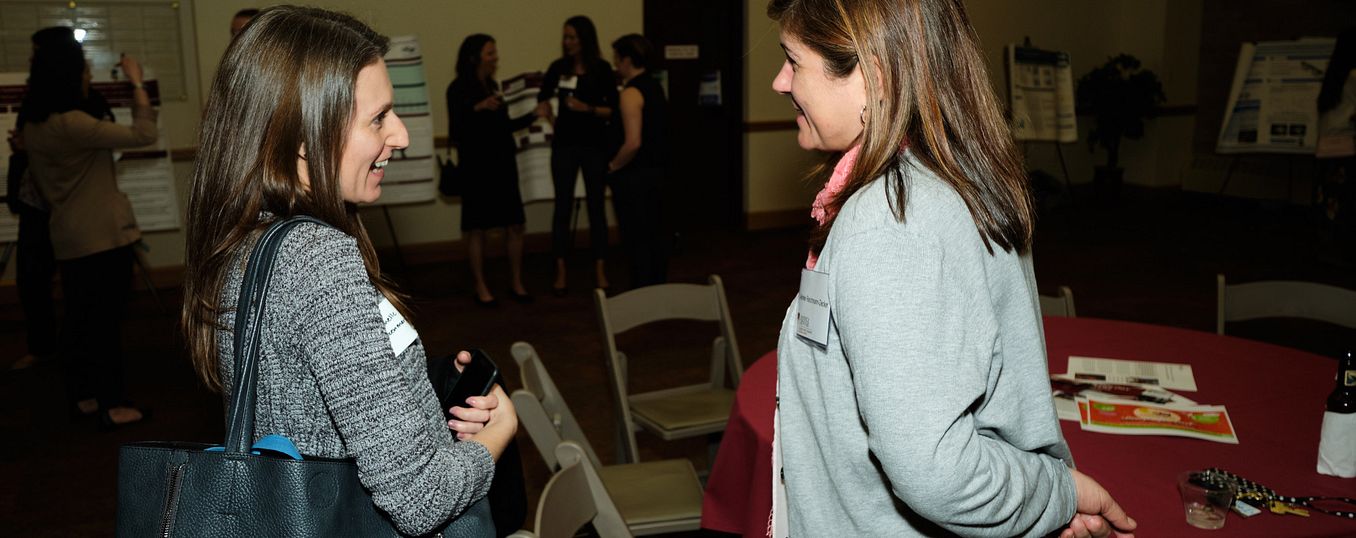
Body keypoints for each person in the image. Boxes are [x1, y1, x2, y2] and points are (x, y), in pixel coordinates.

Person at [766, 1, 1135, 537]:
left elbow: (937, 471)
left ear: (872, 74)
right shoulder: (957, 179)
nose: (780, 82)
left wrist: (1055, 493)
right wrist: (1044, 502)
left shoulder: (892, 217)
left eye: (793, 61)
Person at [181, 7, 516, 535]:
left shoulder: (249, 240)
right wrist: (490, 444)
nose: (401, 136)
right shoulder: (317, 257)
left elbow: (313, 403)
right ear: (299, 134)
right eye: (379, 117)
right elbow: (420, 499)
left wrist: (420, 391)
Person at [21, 31, 154, 427]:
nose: (87, 77)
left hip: (68, 235)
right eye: (83, 71)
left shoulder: (34, 126)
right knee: (105, 325)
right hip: (102, 237)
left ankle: (85, 397)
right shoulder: (73, 124)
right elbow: (144, 134)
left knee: (79, 321)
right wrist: (136, 83)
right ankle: (114, 404)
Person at [6, 27, 114, 372]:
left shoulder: (88, 100)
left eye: (36, 52)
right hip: (36, 200)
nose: (30, 59)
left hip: (73, 207)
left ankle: (81, 362)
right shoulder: (34, 99)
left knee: (82, 291)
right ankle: (45, 348)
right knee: (32, 278)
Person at [448, 34, 537, 306]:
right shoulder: (457, 88)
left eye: (495, 52)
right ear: (474, 56)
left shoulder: (493, 85)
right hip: (476, 168)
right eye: (490, 53)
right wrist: (478, 107)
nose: (495, 57)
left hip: (503, 165)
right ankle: (481, 285)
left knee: (516, 224)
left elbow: (504, 126)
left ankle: (516, 282)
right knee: (477, 229)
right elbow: (457, 130)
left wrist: (535, 115)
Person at [535, 15, 618, 295]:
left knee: (596, 207)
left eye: (572, 37)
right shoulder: (558, 68)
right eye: (565, 37)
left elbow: (614, 111)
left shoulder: (603, 69)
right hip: (564, 146)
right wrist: (551, 119)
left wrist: (588, 109)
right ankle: (560, 267)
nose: (567, 42)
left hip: (595, 146)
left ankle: (600, 267)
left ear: (585, 39)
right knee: (563, 207)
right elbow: (542, 100)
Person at [606, 34, 670, 289]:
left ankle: (641, 293)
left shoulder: (630, 93)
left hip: (635, 179)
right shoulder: (655, 87)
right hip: (658, 175)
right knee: (656, 237)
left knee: (636, 239)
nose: (616, 65)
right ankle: (656, 290)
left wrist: (613, 166)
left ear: (628, 60)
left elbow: (632, 143)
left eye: (617, 60)